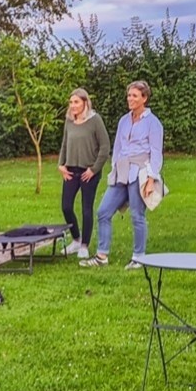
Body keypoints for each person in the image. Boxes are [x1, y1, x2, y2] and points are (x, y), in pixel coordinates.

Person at [81, 80, 164, 270]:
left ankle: (139, 257)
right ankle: (102, 256)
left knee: (137, 215)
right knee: (103, 212)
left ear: (144, 98)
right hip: (121, 172)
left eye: (134, 96)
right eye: (129, 95)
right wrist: (114, 170)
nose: (130, 99)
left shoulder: (153, 123)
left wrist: (151, 179)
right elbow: (117, 147)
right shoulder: (124, 120)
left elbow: (156, 153)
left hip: (140, 173)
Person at [56, 88, 110, 257]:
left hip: (89, 171)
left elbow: (105, 146)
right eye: (71, 102)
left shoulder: (95, 120)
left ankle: (85, 246)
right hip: (71, 170)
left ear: (85, 103)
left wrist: (94, 169)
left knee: (86, 208)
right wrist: (61, 164)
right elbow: (65, 144)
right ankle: (76, 240)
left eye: (76, 102)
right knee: (66, 206)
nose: (73, 106)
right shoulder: (69, 121)